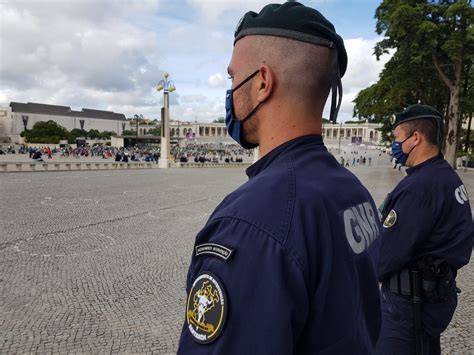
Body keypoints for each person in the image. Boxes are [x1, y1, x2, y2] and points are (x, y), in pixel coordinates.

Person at [178, 2, 381, 354]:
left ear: (262, 83)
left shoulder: (251, 223)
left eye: (232, 78)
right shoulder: (353, 190)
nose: (229, 92)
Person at [370, 104, 473, 354]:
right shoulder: (446, 177)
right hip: (434, 295)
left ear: (415, 138)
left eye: (397, 138)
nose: (395, 146)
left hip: (408, 306)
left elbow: (386, 255)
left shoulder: (420, 187)